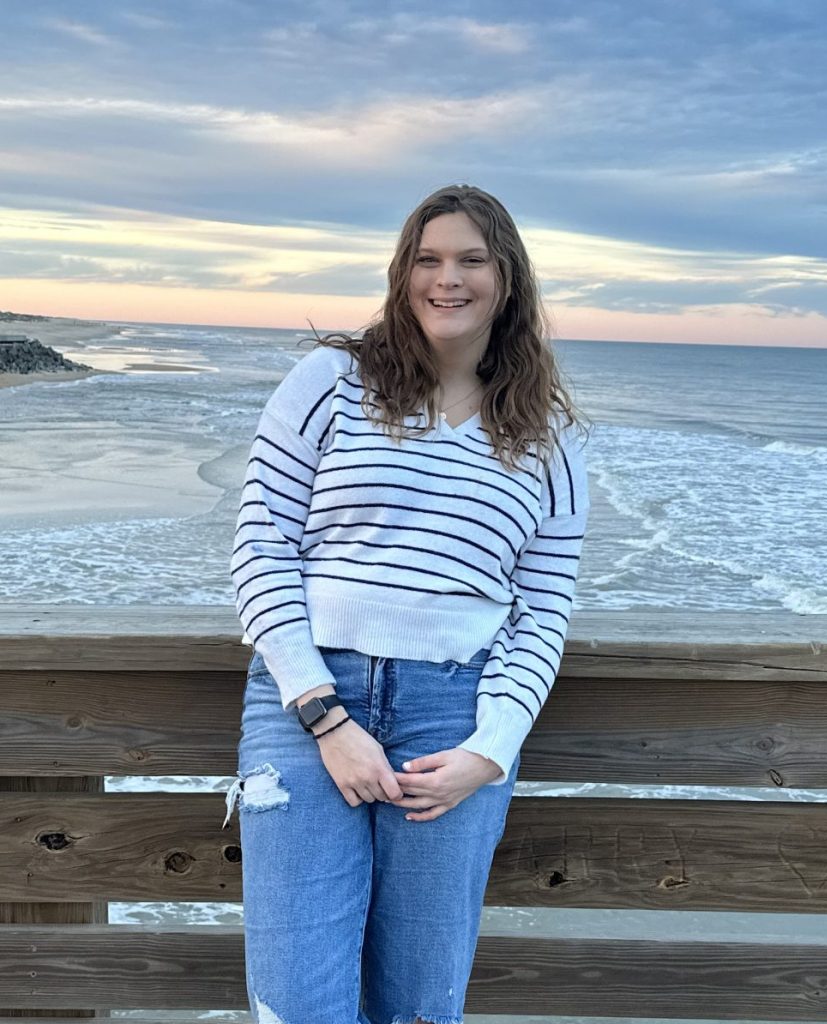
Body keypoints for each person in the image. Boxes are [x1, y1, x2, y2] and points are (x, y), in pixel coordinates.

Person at [222, 183, 591, 1024]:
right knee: (296, 1001)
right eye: (427, 259)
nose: (446, 278)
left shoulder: (545, 438)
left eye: (469, 260)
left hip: (454, 722)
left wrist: (489, 748)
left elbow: (542, 607)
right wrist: (325, 717)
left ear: (507, 279)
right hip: (308, 706)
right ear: (402, 273)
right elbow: (261, 547)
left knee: (419, 1003)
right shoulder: (331, 383)